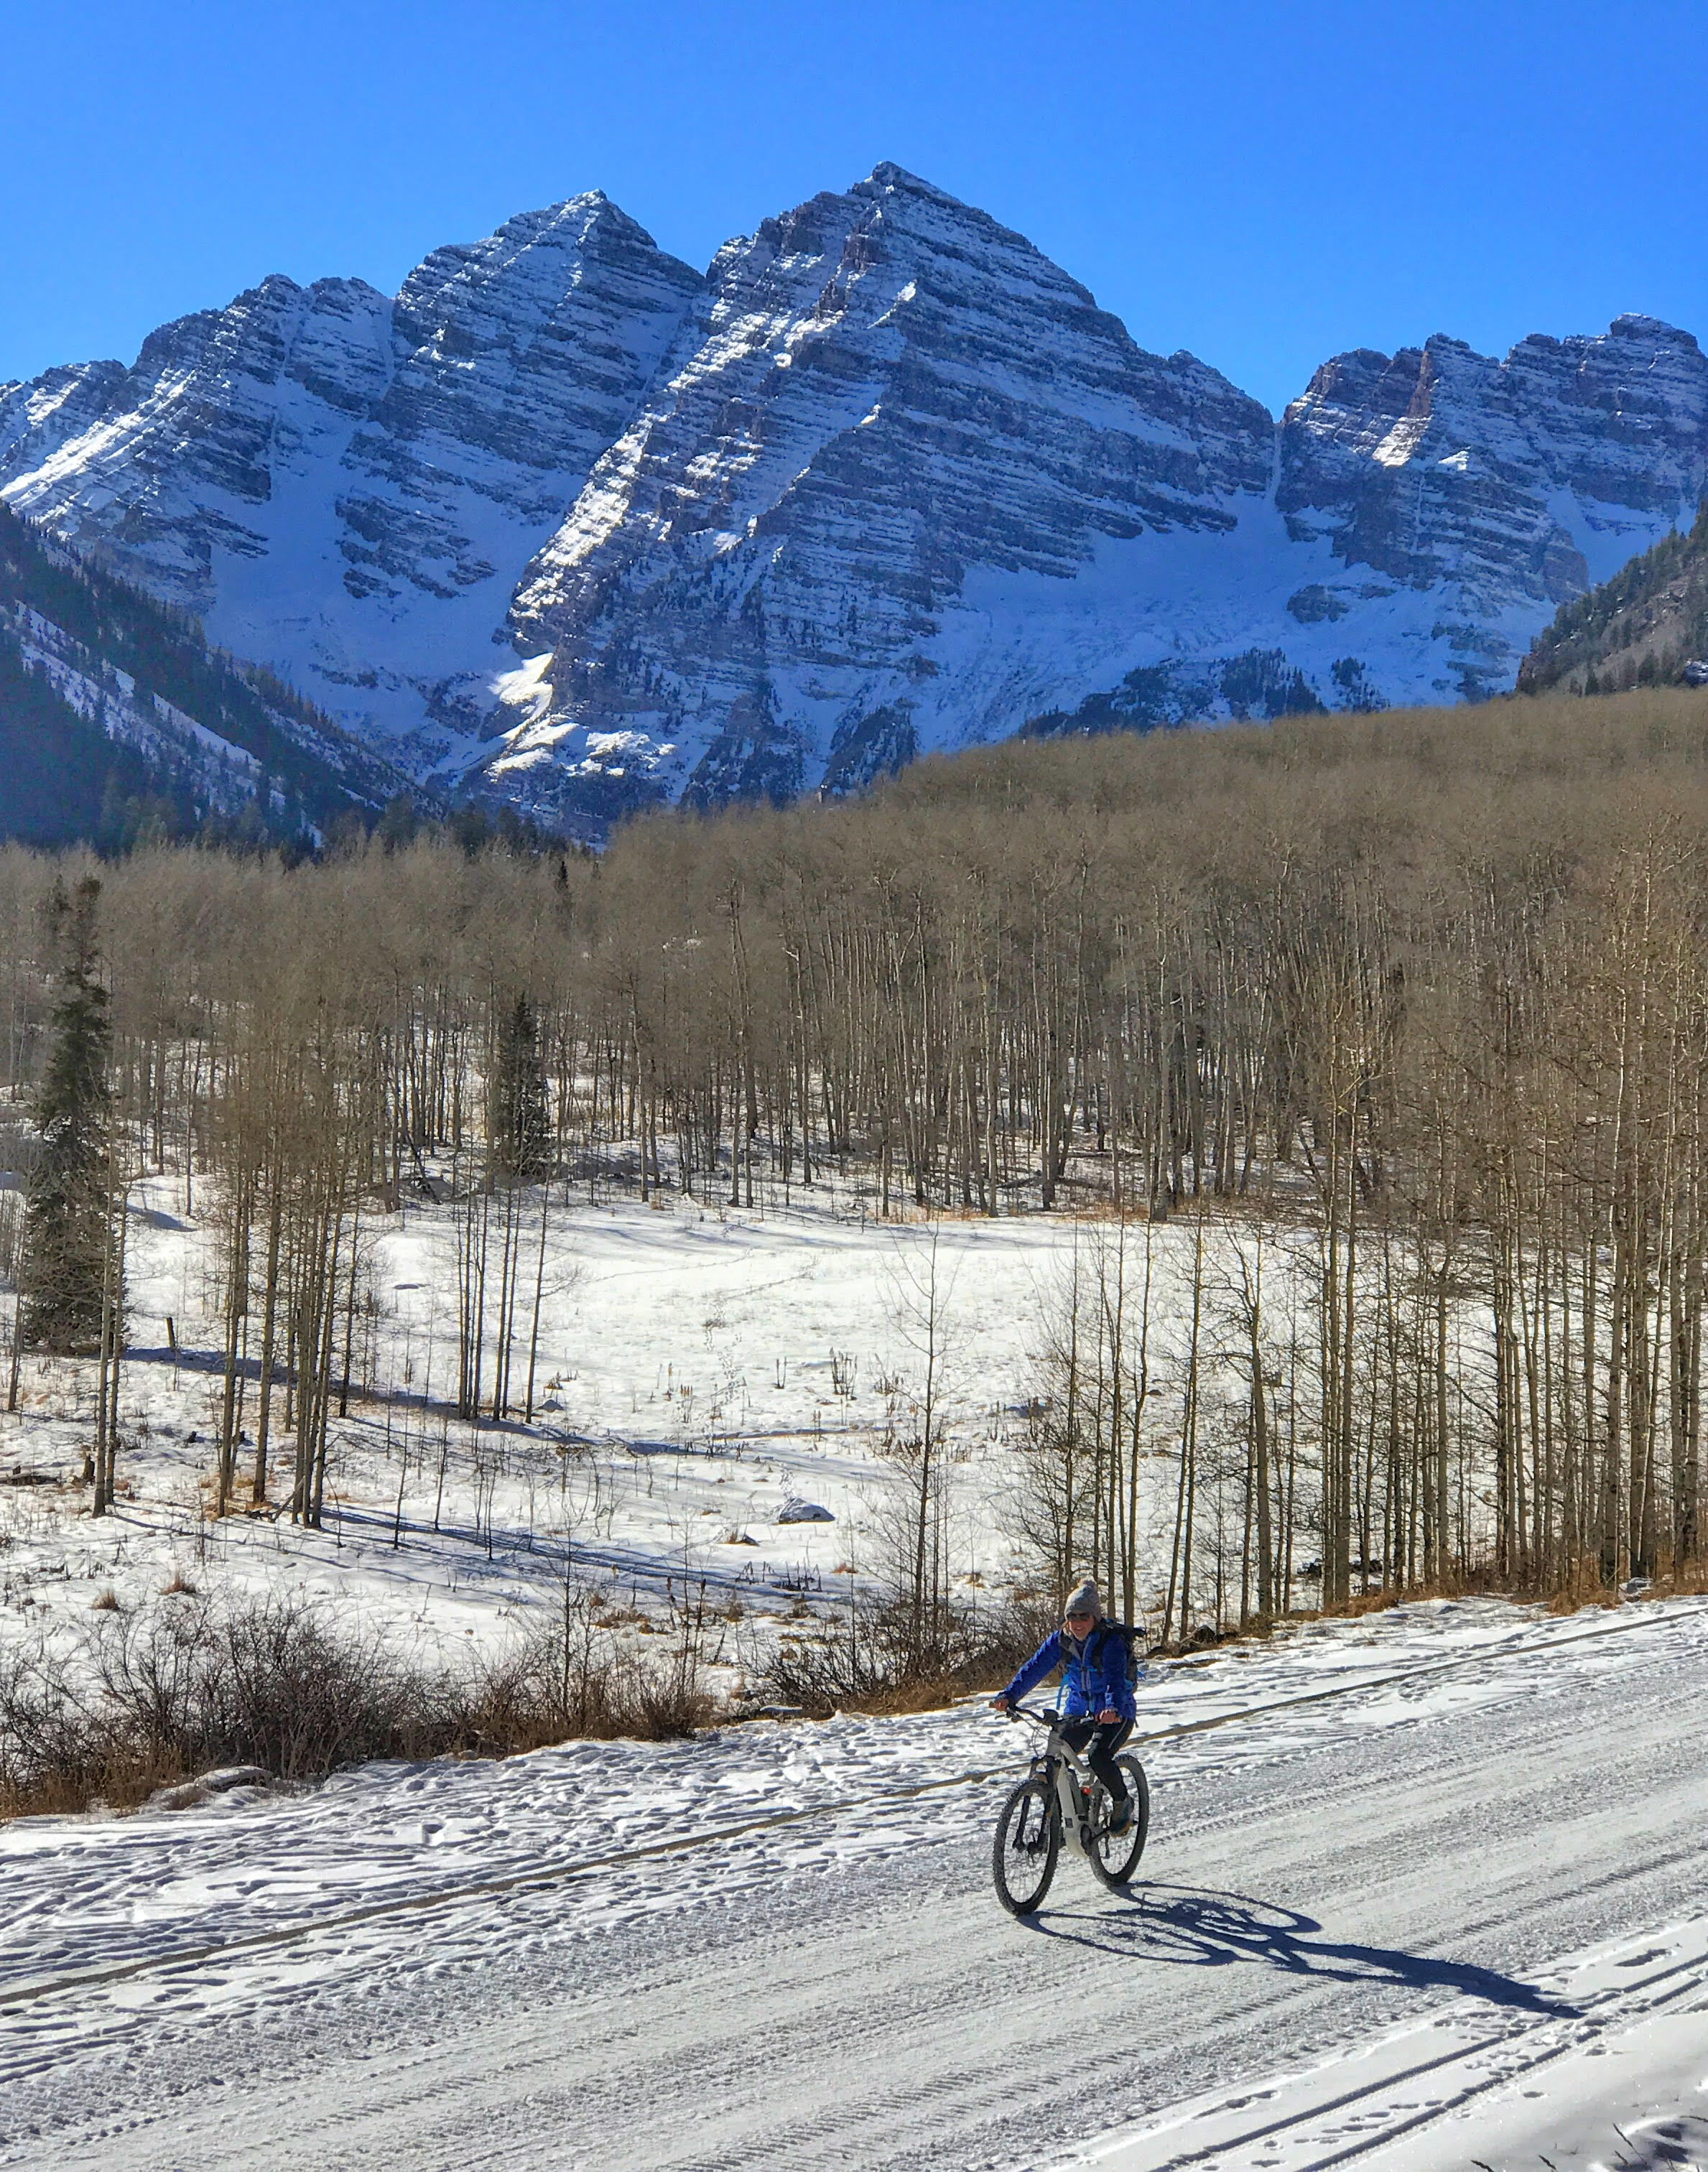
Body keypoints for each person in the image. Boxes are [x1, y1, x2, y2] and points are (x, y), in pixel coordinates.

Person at [990, 1580, 1141, 1836]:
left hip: (1115, 1712)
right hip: (1079, 1711)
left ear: (1095, 1617)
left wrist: (1113, 1708)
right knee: (1058, 1754)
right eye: (1072, 1616)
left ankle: (1121, 1802)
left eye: (1084, 1616)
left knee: (1098, 1757)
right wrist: (1010, 1695)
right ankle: (1067, 1812)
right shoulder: (1061, 1640)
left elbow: (1115, 1680)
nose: (1078, 1622)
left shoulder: (1110, 1642)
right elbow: (1034, 1668)